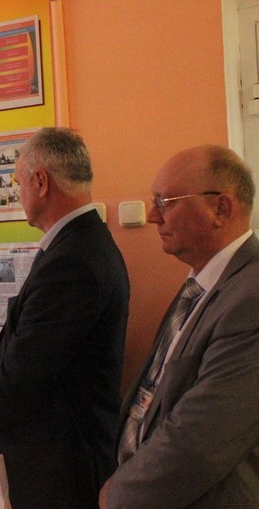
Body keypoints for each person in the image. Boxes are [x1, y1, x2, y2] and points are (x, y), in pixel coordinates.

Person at [0, 127, 130, 507]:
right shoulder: (80, 245)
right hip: (57, 460)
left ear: (40, 182)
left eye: (17, 181)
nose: (16, 192)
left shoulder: (74, 260)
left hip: (63, 469)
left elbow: (27, 369)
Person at [101, 145, 259, 507]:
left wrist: (120, 494)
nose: (153, 216)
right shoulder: (201, 284)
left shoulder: (251, 297)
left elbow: (202, 438)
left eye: (166, 202)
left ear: (221, 208)